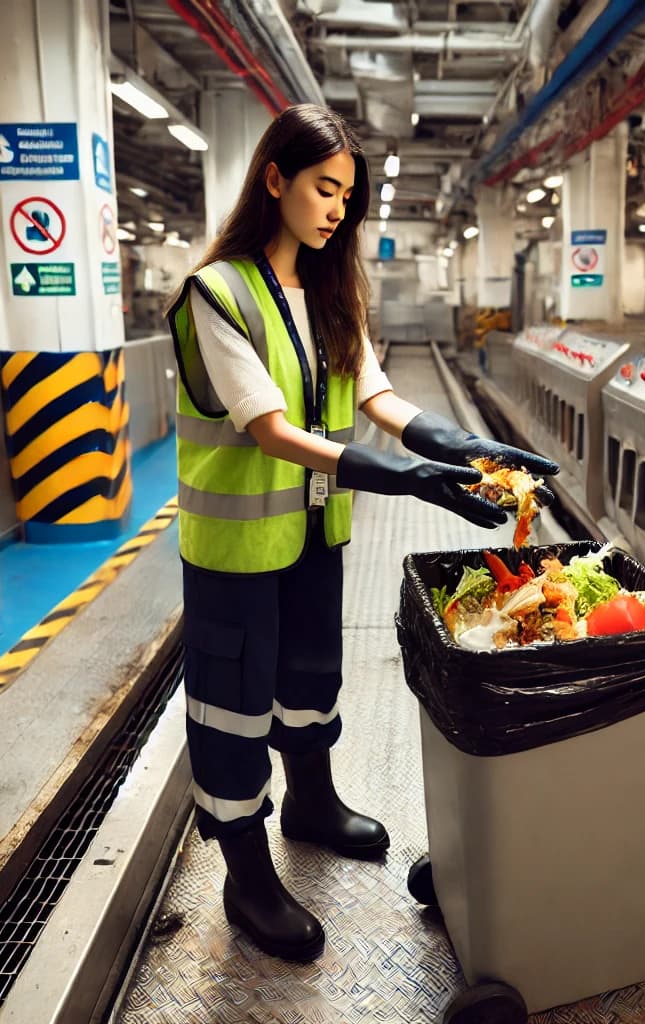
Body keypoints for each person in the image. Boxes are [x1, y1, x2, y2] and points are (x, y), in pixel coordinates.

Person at [166, 104, 558, 963]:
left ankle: (311, 801)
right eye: (324, 187)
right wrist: (405, 476)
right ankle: (246, 875)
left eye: (349, 193)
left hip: (312, 531)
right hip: (234, 550)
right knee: (232, 708)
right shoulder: (218, 292)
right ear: (276, 179)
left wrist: (455, 445)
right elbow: (268, 428)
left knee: (311, 673)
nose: (339, 207)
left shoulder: (333, 289)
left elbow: (377, 396)